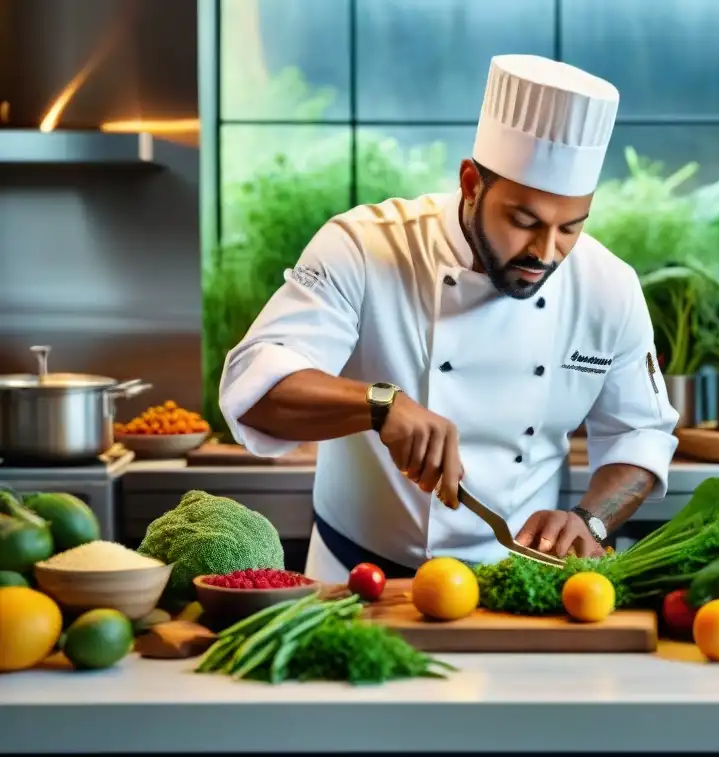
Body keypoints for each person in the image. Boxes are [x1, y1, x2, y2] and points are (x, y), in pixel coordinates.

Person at [219, 54, 680, 583]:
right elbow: (254, 390)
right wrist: (379, 405)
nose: (545, 252)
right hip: (354, 580)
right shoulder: (365, 247)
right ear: (470, 183)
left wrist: (590, 521)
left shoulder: (608, 286)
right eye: (523, 220)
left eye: (570, 228)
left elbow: (639, 433)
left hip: (515, 587)